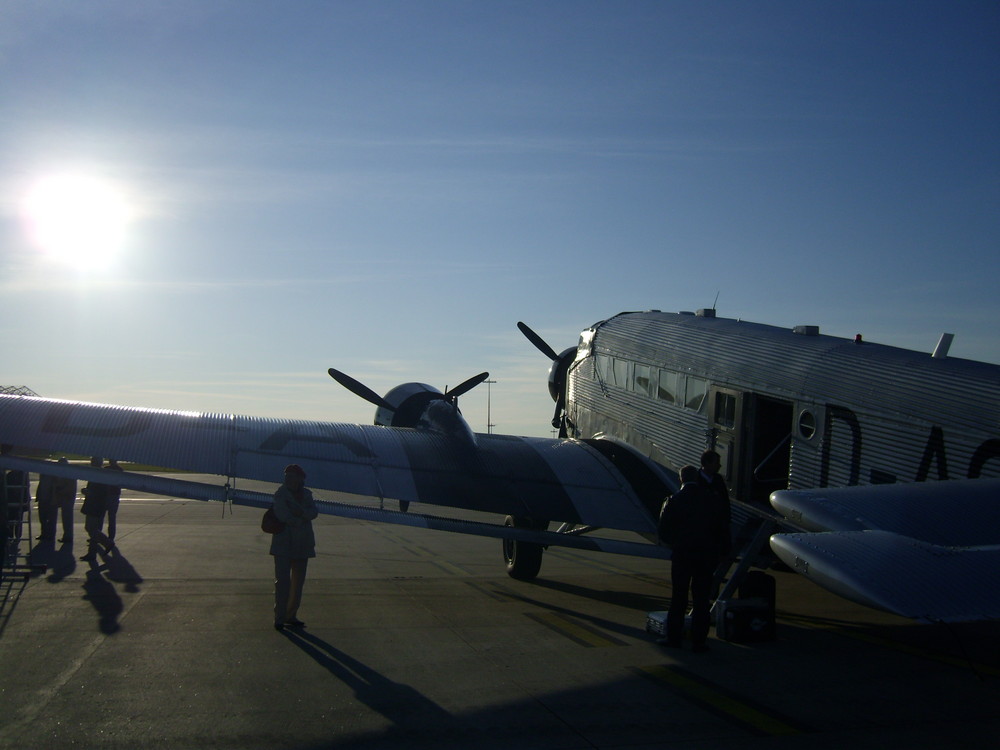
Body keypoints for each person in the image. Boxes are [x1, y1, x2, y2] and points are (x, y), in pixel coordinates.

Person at [658, 462, 731, 653]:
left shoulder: (673, 500)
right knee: (701, 599)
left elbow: (663, 532)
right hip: (706, 556)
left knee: (678, 598)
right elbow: (723, 528)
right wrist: (722, 551)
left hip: (683, 555)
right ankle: (699, 642)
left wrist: (676, 542)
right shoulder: (712, 500)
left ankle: (673, 638)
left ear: (681, 479)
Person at [270, 464, 318, 631]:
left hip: (302, 544)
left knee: (298, 584)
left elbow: (314, 512)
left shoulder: (307, 494)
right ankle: (279, 618)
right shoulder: (280, 494)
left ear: (300, 478)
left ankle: (291, 615)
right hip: (283, 544)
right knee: (282, 582)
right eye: (286, 476)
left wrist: (300, 513)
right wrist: (300, 518)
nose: (288, 479)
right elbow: (282, 514)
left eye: (291, 476)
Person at [80, 457, 113, 561]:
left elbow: (100, 492)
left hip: (95, 505)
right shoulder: (99, 474)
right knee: (92, 529)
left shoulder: (98, 475)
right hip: (97, 505)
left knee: (91, 528)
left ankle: (107, 542)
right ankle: (92, 553)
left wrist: (88, 492)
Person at [52, 458, 78, 543]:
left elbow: (69, 487)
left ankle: (68, 536)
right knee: (66, 517)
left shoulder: (68, 473)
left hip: (67, 497)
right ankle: (67, 535)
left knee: (67, 517)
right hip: (66, 496)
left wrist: (60, 491)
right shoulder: (68, 472)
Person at [104, 459, 124, 543]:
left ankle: (98, 535)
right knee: (111, 517)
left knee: (102, 516)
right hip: (113, 495)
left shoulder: (106, 469)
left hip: (108, 495)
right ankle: (110, 537)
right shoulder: (120, 470)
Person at [35, 471, 57, 541]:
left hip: (49, 500)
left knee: (50, 519)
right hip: (43, 499)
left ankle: (50, 534)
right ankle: (45, 533)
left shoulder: (52, 477)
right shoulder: (43, 476)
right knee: (43, 518)